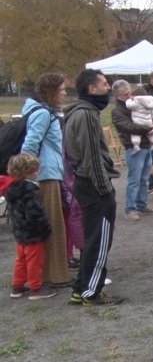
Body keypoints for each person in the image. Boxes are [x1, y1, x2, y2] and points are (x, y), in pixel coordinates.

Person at [65, 69, 123, 306]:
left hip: (86, 183)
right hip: (93, 186)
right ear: (91, 89)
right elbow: (92, 158)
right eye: (104, 84)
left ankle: (81, 288)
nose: (108, 88)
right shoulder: (86, 114)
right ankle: (91, 292)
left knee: (92, 239)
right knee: (99, 241)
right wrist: (105, 190)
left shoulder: (79, 112)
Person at [21, 73, 71, 288]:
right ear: (50, 91)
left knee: (52, 226)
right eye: (62, 90)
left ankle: (51, 274)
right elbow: (30, 145)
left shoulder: (42, 112)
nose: (65, 93)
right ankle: (54, 276)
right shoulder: (42, 114)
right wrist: (30, 175)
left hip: (49, 174)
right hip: (45, 177)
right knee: (53, 227)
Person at [4, 152, 57, 300]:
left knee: (21, 260)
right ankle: (36, 288)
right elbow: (35, 214)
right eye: (35, 170)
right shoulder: (28, 191)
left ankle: (17, 286)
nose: (37, 173)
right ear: (26, 172)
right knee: (35, 261)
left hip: (20, 232)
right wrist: (46, 228)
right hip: (33, 233)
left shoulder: (12, 189)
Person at [111, 80, 153, 221]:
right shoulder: (117, 111)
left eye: (129, 93)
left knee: (144, 178)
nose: (129, 96)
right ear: (117, 96)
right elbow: (129, 127)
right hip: (133, 148)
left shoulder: (136, 103)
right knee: (134, 180)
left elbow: (150, 117)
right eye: (125, 95)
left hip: (146, 145)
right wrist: (149, 128)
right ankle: (130, 209)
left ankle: (141, 205)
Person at [126, 87, 153, 153]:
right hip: (148, 121)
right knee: (151, 134)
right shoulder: (150, 102)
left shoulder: (136, 102)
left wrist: (129, 100)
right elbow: (152, 113)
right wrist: (151, 120)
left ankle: (136, 146)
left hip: (138, 121)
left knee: (136, 134)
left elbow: (129, 105)